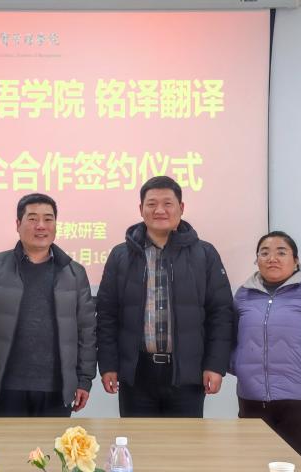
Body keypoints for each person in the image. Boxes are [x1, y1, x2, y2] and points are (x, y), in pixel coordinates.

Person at [96, 175, 235, 417]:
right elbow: (107, 315)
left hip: (187, 373)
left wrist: (215, 365)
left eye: (167, 203)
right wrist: (108, 365)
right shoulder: (121, 256)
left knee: (183, 440)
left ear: (181, 207)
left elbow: (221, 314)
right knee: (137, 439)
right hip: (136, 373)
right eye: (151, 204)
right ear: (141, 209)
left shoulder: (204, 254)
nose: (159, 210)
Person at [0, 193, 97, 417]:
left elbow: (87, 330)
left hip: (57, 389)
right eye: (33, 218)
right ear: (18, 224)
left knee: (53, 442)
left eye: (48, 219)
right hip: (3, 387)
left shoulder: (74, 273)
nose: (41, 226)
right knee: (4, 441)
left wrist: (84, 379)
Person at [231, 231, 301, 471]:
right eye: (264, 253)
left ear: (296, 260)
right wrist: (240, 365)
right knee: (253, 467)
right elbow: (228, 340)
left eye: (281, 252)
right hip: (252, 401)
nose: (272, 258)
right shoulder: (243, 296)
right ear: (257, 260)